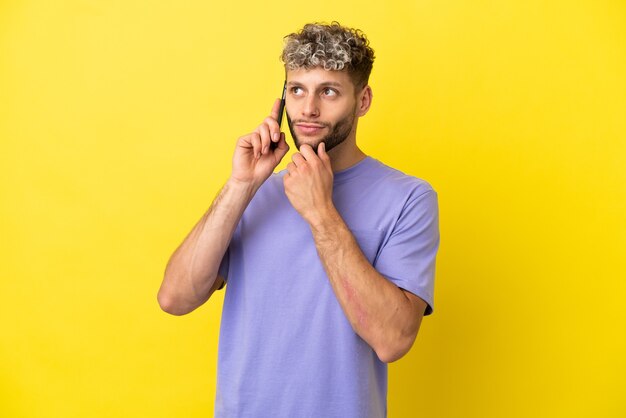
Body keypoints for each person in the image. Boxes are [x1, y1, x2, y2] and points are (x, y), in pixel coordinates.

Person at [157, 22, 440, 418]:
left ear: (363, 100)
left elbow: (392, 340)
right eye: (297, 90)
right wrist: (242, 184)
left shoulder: (409, 198)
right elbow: (175, 298)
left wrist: (321, 212)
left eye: (328, 91)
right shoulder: (254, 193)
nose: (308, 109)